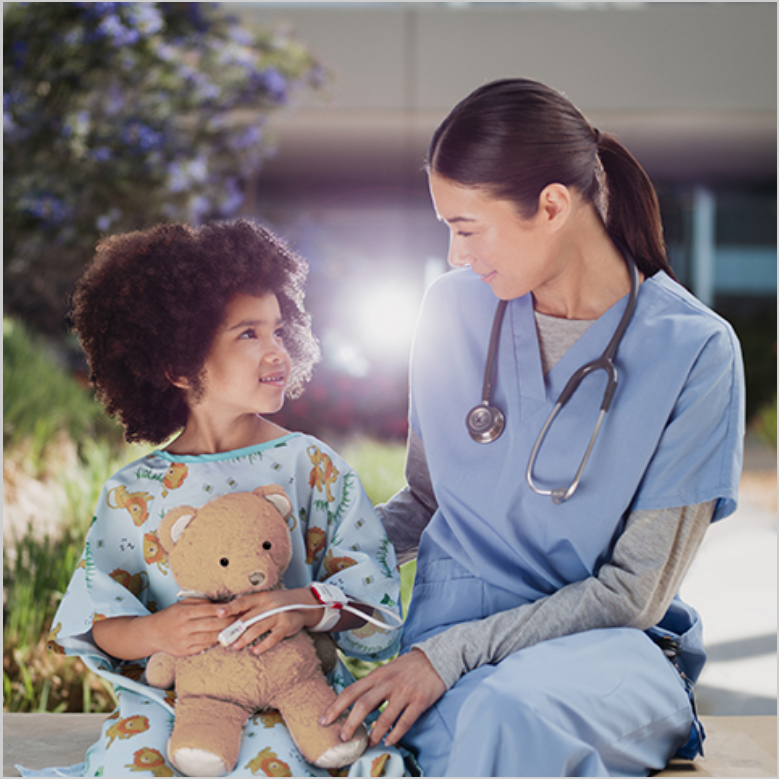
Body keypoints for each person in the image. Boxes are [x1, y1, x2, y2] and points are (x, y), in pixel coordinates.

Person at [323, 78, 746, 777]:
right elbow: (426, 502)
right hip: (447, 649)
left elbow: (630, 592)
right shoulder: (450, 309)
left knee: (506, 718)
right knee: (461, 737)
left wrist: (448, 655)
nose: (457, 256)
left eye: (466, 228)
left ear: (551, 205)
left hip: (598, 656)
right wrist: (312, 576)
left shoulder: (694, 352)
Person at [23, 220, 410, 778]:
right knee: (133, 765)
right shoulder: (134, 493)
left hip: (294, 693)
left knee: (281, 764)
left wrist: (303, 604)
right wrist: (158, 633)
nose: (276, 350)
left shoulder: (311, 466)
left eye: (279, 330)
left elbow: (373, 599)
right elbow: (102, 617)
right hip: (178, 703)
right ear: (178, 364)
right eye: (248, 334)